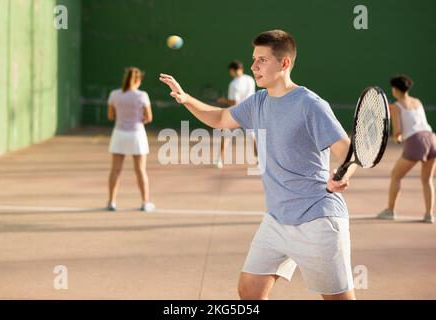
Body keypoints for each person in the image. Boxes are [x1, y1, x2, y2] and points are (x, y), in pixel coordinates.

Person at [160, 30, 357, 300]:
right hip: (276, 220)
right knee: (250, 291)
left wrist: (343, 175)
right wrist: (186, 99)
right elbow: (220, 119)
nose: (253, 66)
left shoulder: (310, 104)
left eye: (262, 60)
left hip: (318, 220)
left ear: (284, 63)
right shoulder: (258, 101)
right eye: (254, 59)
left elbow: (348, 150)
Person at [377, 75, 435, 223]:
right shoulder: (417, 101)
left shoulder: (396, 106)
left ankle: (390, 211)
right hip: (432, 139)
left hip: (416, 141)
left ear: (395, 90)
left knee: (396, 175)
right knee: (427, 179)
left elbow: (398, 134)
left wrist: (396, 138)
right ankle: (429, 215)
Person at [107, 67, 155, 212]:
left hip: (119, 135)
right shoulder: (142, 95)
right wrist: (140, 119)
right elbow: (149, 117)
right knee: (140, 170)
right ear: (138, 80)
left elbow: (110, 116)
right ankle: (145, 203)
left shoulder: (114, 94)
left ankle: (111, 202)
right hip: (136, 135)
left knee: (115, 170)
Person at [215, 61, 256, 168]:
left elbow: (235, 102)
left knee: (226, 135)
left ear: (232, 70)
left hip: (236, 113)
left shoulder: (234, 84)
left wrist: (222, 100)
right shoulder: (250, 79)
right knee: (253, 136)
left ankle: (220, 161)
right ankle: (259, 161)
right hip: (250, 111)